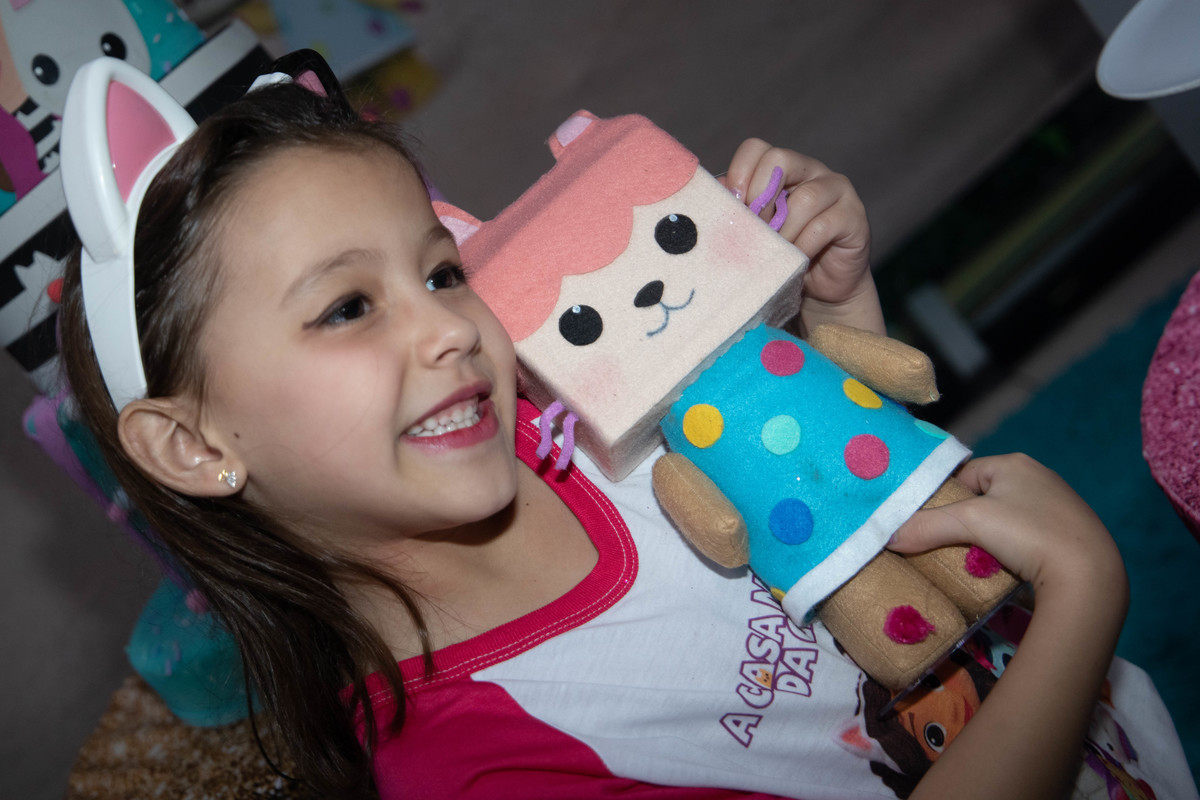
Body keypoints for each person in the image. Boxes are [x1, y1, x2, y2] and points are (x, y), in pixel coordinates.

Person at [57, 51, 1190, 800]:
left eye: (442, 271)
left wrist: (835, 310)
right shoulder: (483, 766)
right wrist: (1082, 592)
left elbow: (827, 510)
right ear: (195, 444)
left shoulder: (565, 414)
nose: (452, 328)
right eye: (348, 307)